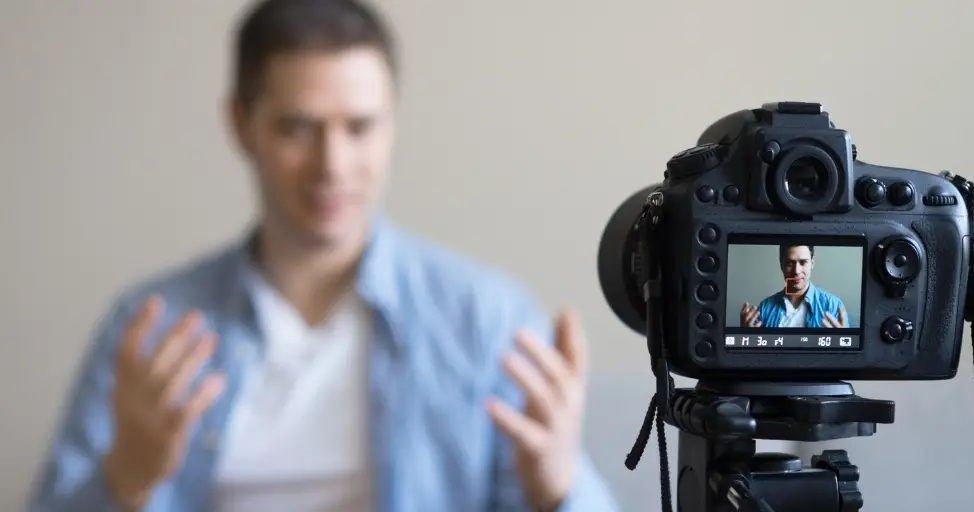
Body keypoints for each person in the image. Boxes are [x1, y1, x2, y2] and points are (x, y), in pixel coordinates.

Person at [26, 1, 619, 511]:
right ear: (241, 124)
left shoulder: (486, 319)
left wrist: (555, 490)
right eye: (297, 129)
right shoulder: (151, 329)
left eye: (360, 127)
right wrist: (122, 482)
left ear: (393, 124)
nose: (332, 165)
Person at [739, 244, 848, 329]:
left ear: (812, 263)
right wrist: (745, 336)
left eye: (803, 262)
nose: (796, 271)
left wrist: (842, 344)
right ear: (782, 265)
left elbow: (848, 356)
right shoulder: (765, 308)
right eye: (790, 263)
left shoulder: (833, 306)